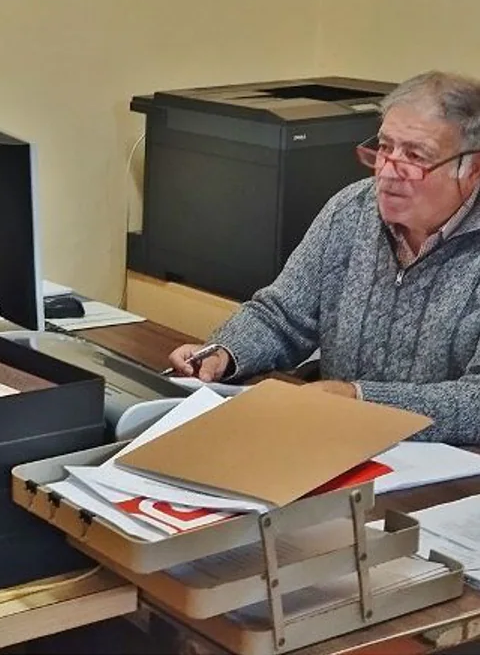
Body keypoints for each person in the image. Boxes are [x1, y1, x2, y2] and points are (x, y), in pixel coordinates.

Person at [167, 70, 480, 444]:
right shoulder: (351, 209)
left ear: (472, 169)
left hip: (449, 478)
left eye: (414, 155)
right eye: (384, 148)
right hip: (333, 445)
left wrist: (358, 398)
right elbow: (281, 317)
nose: (387, 171)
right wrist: (223, 353)